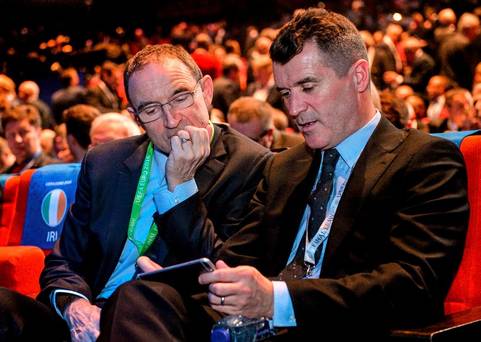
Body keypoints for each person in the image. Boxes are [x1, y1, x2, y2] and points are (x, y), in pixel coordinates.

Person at [103, 8, 469, 340]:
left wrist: (276, 299)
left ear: (358, 76)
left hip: (341, 326)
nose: (295, 108)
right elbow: (232, 263)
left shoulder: (424, 160)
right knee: (140, 296)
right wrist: (188, 273)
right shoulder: (283, 166)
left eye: (308, 87)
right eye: (285, 93)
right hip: (251, 328)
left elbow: (412, 285)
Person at [0, 44, 270, 341]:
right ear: (135, 116)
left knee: (134, 302)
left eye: (180, 97)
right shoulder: (104, 162)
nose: (171, 120)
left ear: (206, 91)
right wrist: (76, 307)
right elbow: (63, 262)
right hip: (87, 318)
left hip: (159, 317)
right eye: (151, 109)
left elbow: (225, 272)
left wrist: (180, 187)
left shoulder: (251, 165)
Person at [227, 96, 303, 151]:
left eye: (248, 141)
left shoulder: (300, 148)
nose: (240, 147)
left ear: (269, 134)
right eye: (234, 138)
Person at [2, 104, 59, 174]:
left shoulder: (56, 169)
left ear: (38, 132)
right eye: (11, 135)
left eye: (23, 132)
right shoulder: (4, 177)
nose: (17, 140)